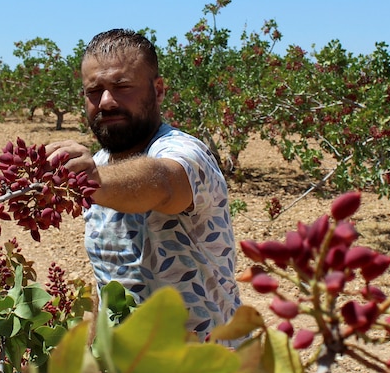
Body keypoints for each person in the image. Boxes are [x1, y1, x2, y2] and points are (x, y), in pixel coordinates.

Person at [46, 28, 243, 341]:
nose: (106, 101)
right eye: (93, 91)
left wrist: (94, 180)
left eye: (122, 86)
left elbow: (162, 183)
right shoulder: (96, 172)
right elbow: (109, 282)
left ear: (158, 90)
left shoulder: (184, 152)